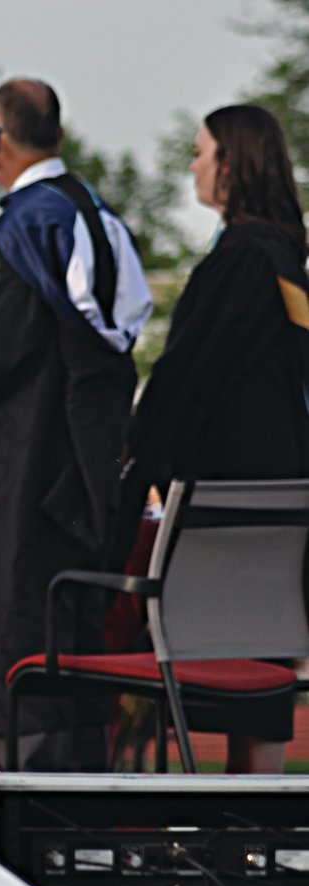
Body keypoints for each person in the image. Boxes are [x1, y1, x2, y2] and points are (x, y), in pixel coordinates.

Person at [0, 78, 152, 772]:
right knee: (73, 650)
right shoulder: (102, 225)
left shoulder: (23, 232)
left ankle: (23, 849)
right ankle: (79, 836)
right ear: (60, 139)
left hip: (12, 479)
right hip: (79, 478)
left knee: (14, 646)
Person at [121, 104, 309, 774]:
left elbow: (188, 379)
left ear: (232, 163)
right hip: (282, 501)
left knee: (222, 669)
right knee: (266, 668)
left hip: (223, 508)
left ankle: (219, 851)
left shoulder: (240, 262)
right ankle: (255, 844)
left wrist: (135, 454)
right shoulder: (286, 258)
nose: (194, 165)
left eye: (202, 153)